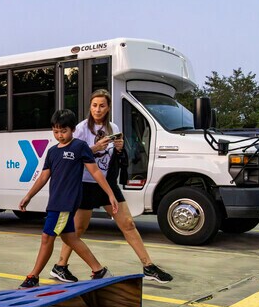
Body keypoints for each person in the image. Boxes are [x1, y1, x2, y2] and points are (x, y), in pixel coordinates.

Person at [56, 89, 173, 284]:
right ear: (90, 107)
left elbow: (113, 158)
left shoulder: (113, 127)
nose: (98, 109)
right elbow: (71, 154)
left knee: (128, 223)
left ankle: (148, 266)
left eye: (102, 106)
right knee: (78, 229)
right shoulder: (81, 129)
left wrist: (118, 149)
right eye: (94, 105)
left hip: (106, 184)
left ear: (108, 107)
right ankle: (60, 266)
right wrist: (94, 148)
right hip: (85, 183)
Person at [18, 109, 118, 288]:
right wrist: (29, 195)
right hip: (55, 201)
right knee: (70, 238)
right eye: (56, 131)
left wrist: (110, 194)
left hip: (66, 202)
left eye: (63, 131)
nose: (59, 135)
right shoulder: (52, 151)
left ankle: (33, 277)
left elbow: (95, 171)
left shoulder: (79, 147)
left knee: (47, 238)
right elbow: (43, 177)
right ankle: (98, 270)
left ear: (72, 130)